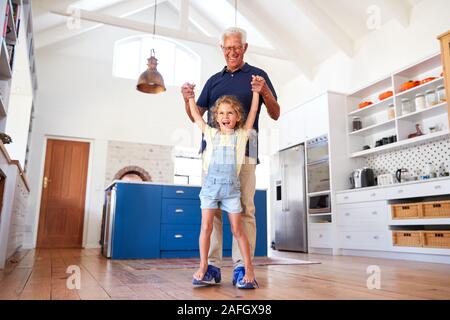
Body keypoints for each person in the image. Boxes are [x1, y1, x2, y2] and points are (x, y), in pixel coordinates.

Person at [181, 27, 280, 289]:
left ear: (245, 48)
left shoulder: (257, 76)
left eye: (237, 47)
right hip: (213, 154)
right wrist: (186, 99)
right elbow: (196, 115)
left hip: (247, 149)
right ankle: (211, 266)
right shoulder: (214, 80)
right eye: (227, 48)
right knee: (211, 214)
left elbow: (275, 112)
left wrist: (264, 91)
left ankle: (241, 268)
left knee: (245, 208)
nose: (232, 52)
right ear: (222, 49)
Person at [189, 81, 261, 288]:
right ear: (215, 117)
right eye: (221, 113)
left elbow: (254, 112)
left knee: (238, 230)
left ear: (238, 117)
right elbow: (196, 116)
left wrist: (256, 93)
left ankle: (248, 268)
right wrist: (191, 97)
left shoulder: (241, 136)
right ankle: (204, 266)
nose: (225, 117)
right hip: (210, 191)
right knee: (206, 227)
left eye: (230, 113)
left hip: (231, 192)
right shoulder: (210, 134)